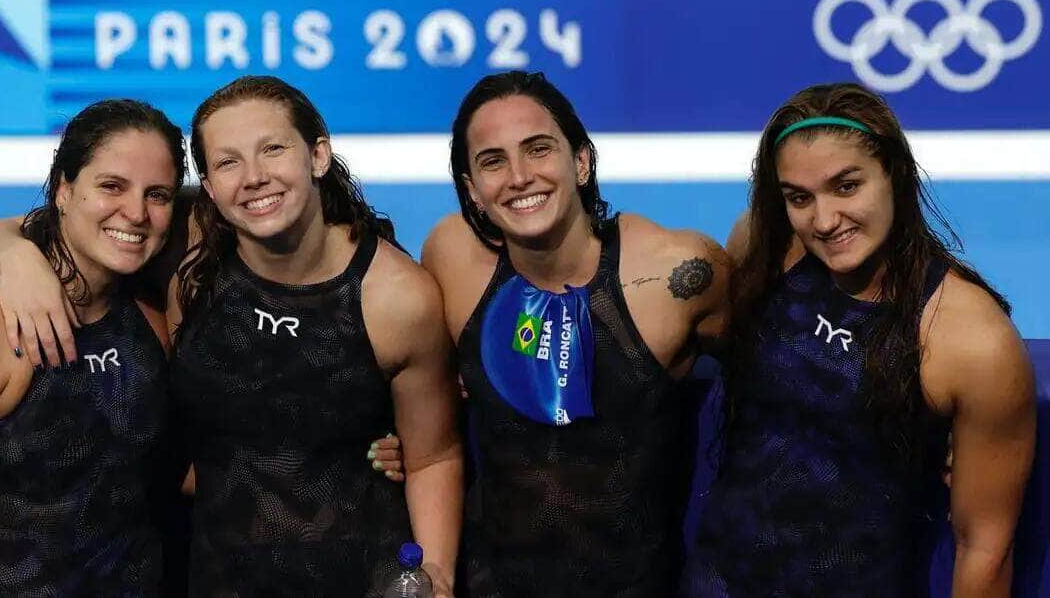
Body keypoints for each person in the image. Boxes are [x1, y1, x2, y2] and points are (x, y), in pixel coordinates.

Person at [0, 75, 462, 597]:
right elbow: (35, 228)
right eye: (228, 162)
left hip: (362, 579)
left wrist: (438, 578)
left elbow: (435, 457)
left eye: (273, 149)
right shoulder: (185, 239)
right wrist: (14, 253)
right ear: (208, 183)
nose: (254, 178)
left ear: (318, 155)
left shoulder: (396, 298)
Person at [680, 83, 1036, 596]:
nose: (824, 221)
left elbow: (984, 548)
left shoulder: (971, 340)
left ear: (895, 173)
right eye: (799, 198)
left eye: (846, 187)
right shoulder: (765, 246)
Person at [421, 71, 730, 595]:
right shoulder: (451, 260)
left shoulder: (677, 274)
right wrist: (389, 436)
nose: (519, 177)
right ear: (471, 191)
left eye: (538, 149)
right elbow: (420, 398)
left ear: (581, 162)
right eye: (493, 161)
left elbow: (771, 369)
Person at [0, 100, 188, 596]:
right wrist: (12, 249)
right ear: (64, 190)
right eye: (111, 186)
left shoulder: (152, 315)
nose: (136, 212)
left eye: (157, 194)